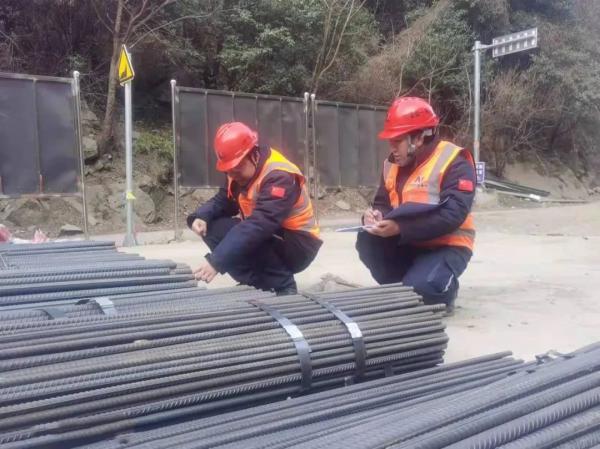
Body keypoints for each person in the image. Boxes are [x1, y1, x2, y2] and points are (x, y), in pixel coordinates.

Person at [356, 97, 476, 311]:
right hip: (410, 242)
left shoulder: (454, 162)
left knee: (423, 292)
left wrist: (401, 228)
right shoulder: (392, 164)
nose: (392, 147)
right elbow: (383, 202)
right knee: (368, 238)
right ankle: (404, 286)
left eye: (397, 141)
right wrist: (376, 215)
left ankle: (440, 289)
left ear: (419, 138)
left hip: (446, 246)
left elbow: (453, 214)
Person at [187, 121, 322, 295]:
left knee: (249, 232)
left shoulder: (279, 176)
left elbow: (261, 224)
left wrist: (216, 261)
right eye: (228, 170)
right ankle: (256, 283)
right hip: (271, 236)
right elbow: (224, 200)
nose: (231, 174)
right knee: (213, 228)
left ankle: (283, 285)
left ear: (252, 154)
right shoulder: (236, 172)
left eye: (236, 168)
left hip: (298, 245)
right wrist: (201, 216)